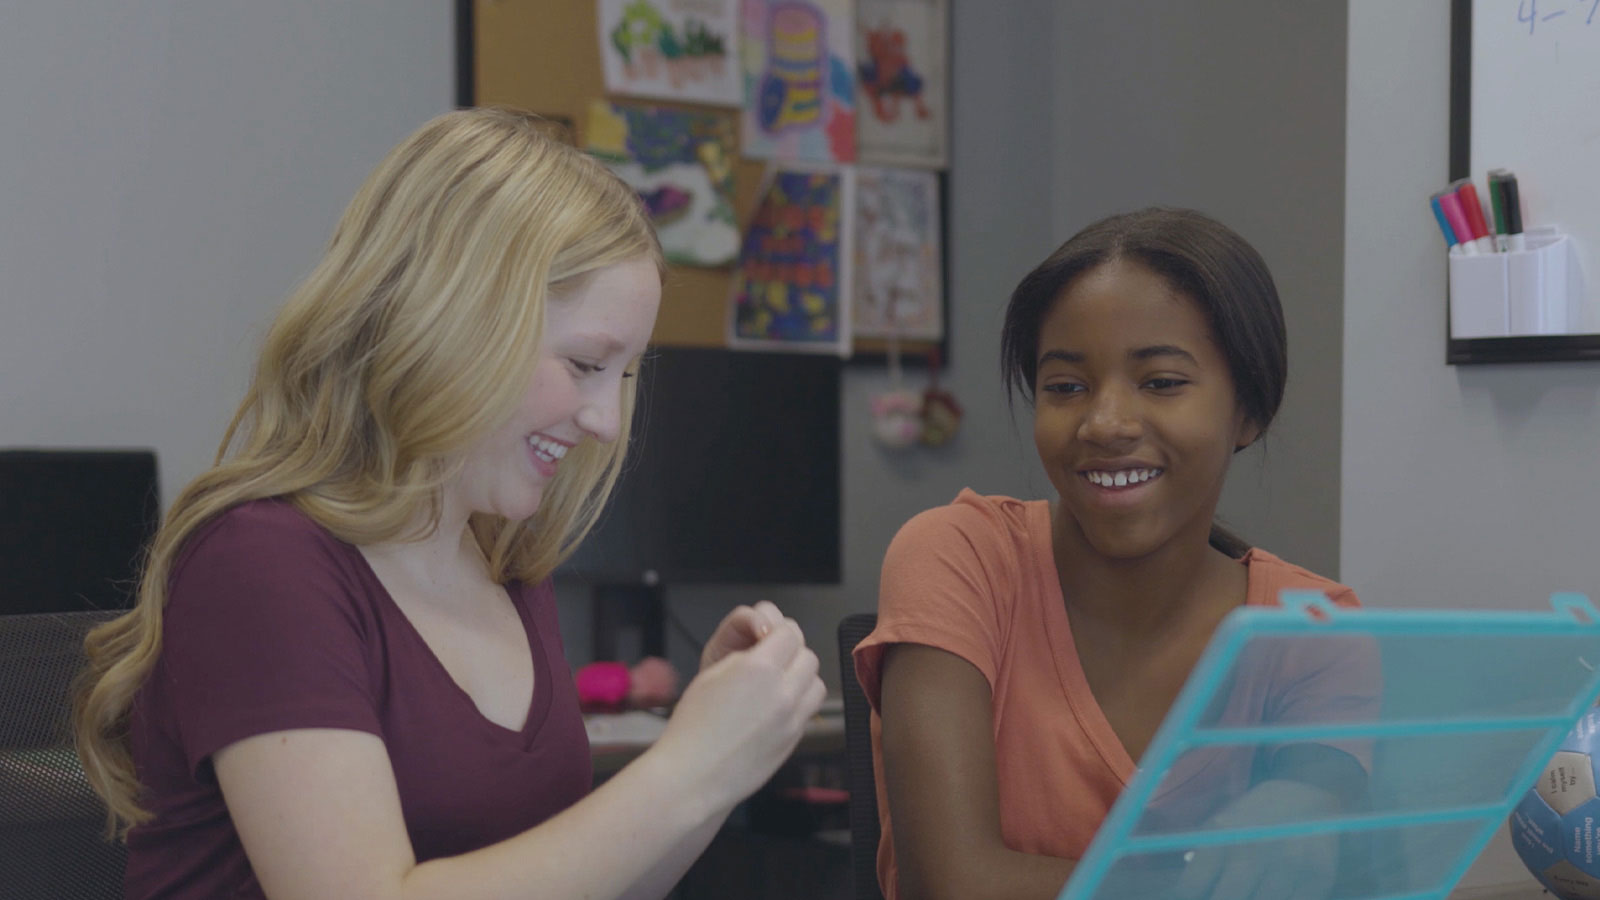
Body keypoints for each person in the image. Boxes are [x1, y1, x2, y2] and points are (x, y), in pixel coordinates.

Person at [72, 107, 826, 900]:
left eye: (627, 374)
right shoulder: (258, 565)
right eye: (585, 363)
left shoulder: (501, 565)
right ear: (455, 326)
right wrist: (686, 770)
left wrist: (716, 758)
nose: (606, 423)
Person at [853, 208, 1378, 900]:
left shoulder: (1312, 625)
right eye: (1065, 387)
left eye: (1161, 381)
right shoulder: (959, 557)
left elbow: (1315, 836)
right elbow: (953, 885)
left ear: (1248, 410)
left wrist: (1310, 810)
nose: (1105, 425)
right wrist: (1203, 881)